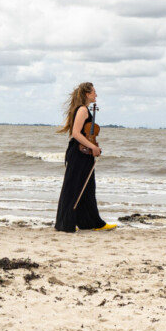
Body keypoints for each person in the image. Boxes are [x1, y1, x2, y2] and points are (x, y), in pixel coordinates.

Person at [55, 82, 116, 232]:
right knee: (75, 188)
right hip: (79, 153)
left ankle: (92, 223)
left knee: (87, 188)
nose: (96, 94)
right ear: (87, 94)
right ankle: (67, 224)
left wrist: (92, 147)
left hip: (83, 153)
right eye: (94, 92)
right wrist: (93, 147)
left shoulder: (84, 109)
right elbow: (76, 134)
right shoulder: (82, 110)